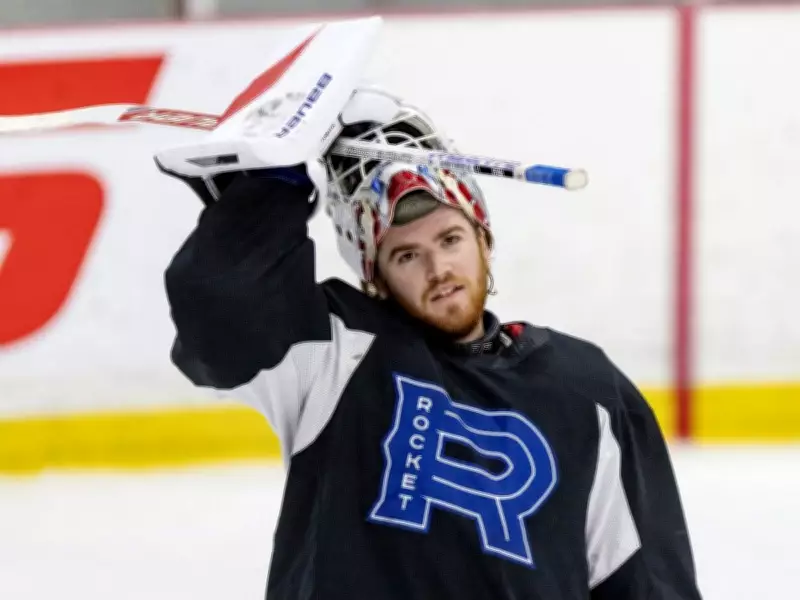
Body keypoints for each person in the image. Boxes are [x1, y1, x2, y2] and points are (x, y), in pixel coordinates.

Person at [163, 86, 703, 599]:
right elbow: (219, 315)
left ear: (484, 237)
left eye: (450, 239)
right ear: (374, 276)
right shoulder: (336, 351)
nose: (438, 267)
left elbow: (647, 580)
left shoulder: (587, 386)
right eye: (406, 255)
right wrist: (271, 185)